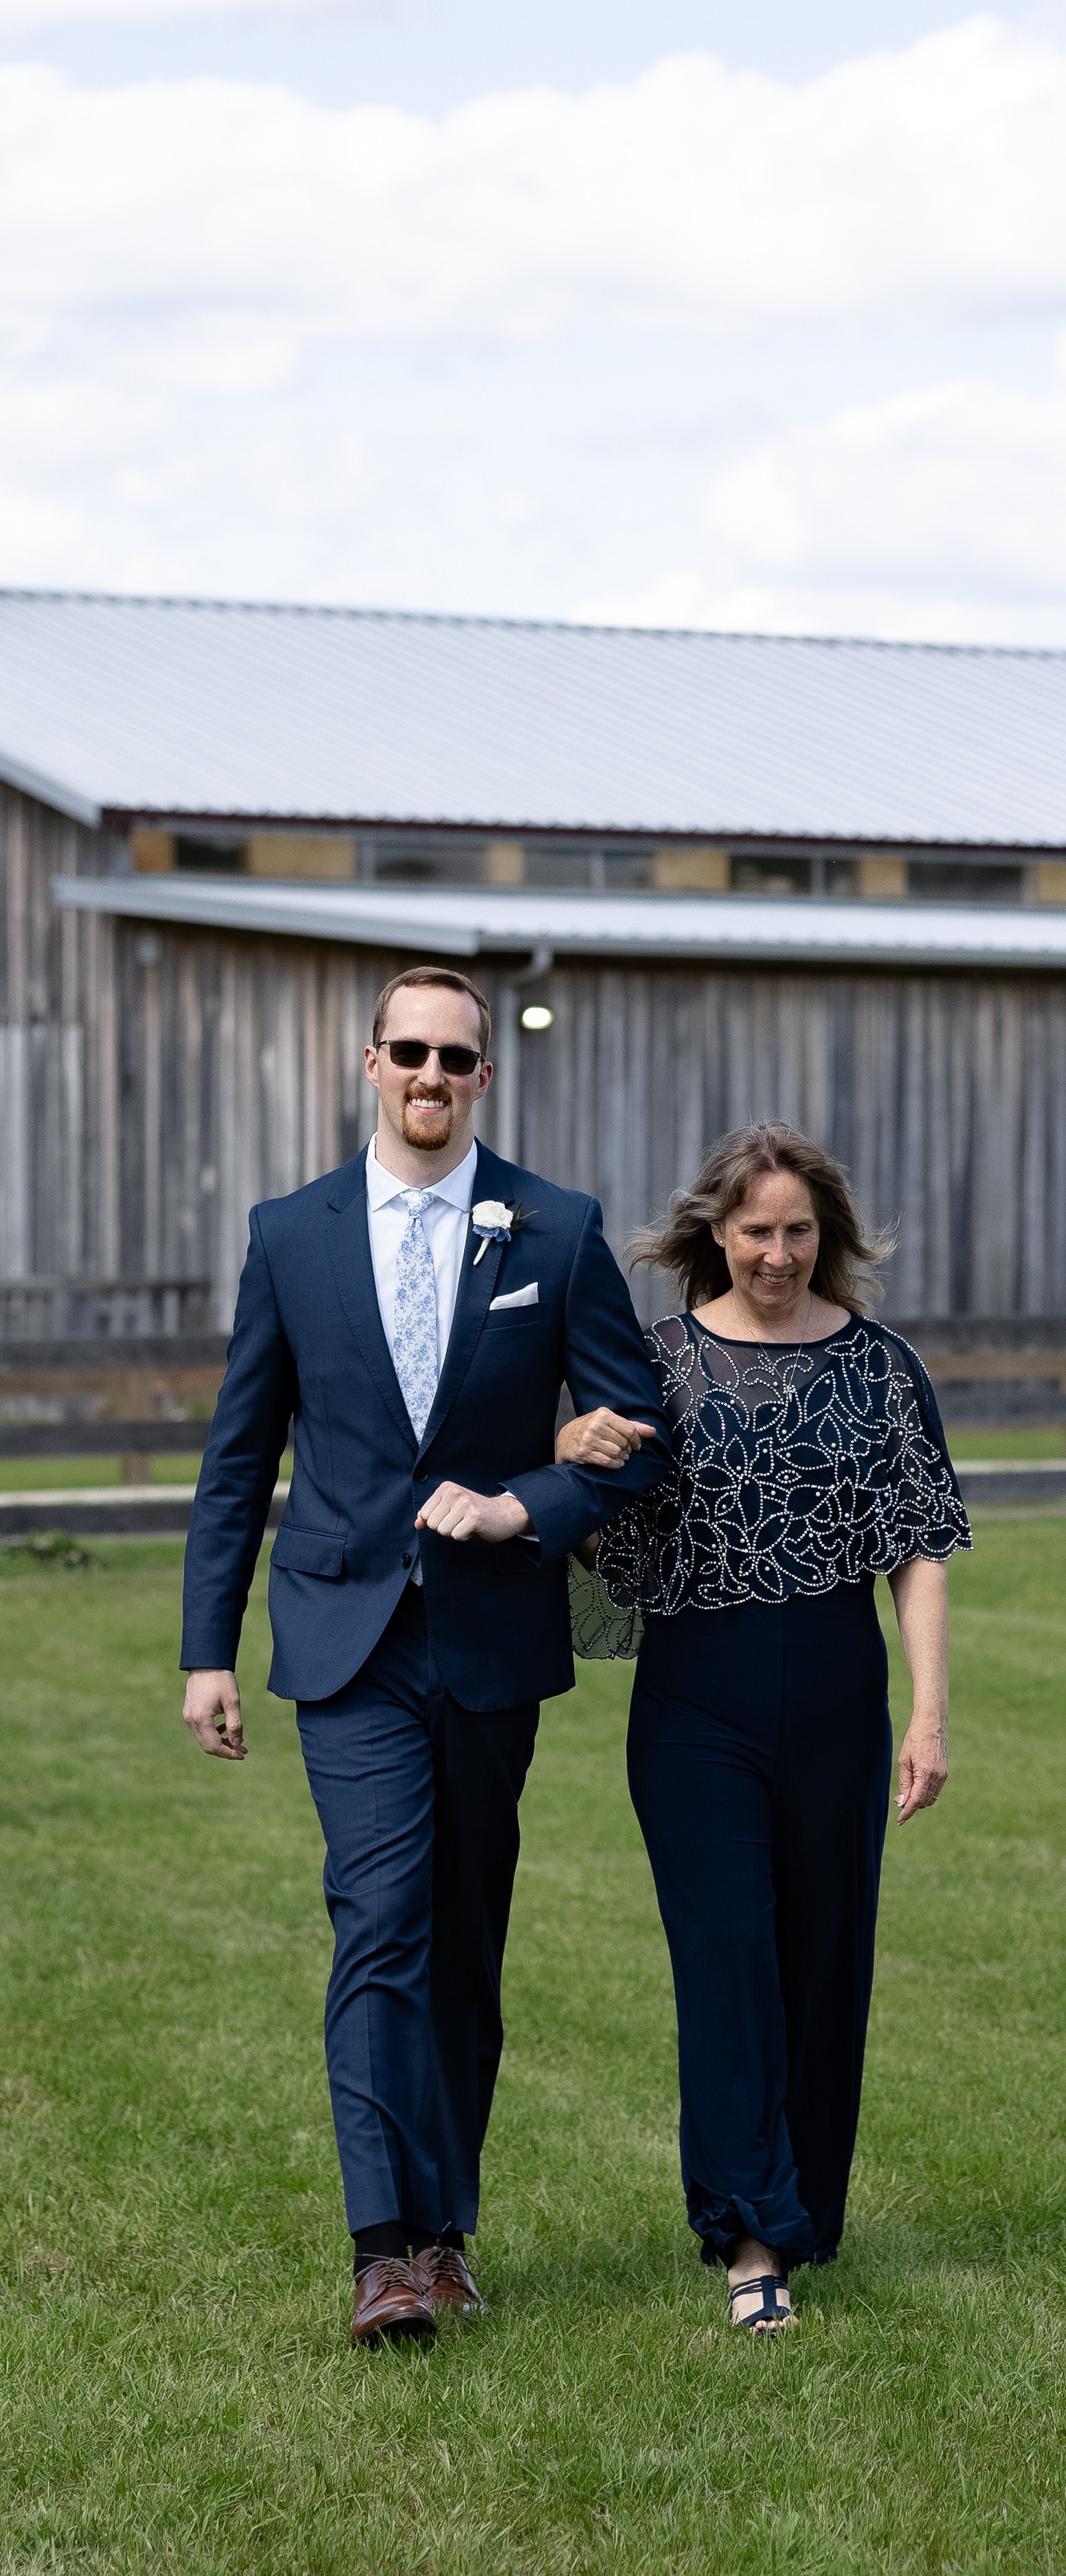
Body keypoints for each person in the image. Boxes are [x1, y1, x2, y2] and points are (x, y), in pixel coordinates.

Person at [179, 965, 665, 2346]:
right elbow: (238, 1456)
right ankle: (382, 2251)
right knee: (380, 1919)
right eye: (410, 1051)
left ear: (484, 1079)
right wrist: (205, 1645)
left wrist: (530, 1501)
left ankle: (448, 2233)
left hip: (489, 1639)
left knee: (464, 1938)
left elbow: (637, 1431)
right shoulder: (292, 1234)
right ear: (371, 1061)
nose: (432, 1075)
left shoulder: (555, 1230)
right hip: (344, 1636)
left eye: (458, 1057)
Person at [556, 1121, 968, 2335]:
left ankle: (802, 2211)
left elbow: (922, 1543)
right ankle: (748, 2237)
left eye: (797, 1230)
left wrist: (930, 1711)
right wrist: (564, 1446)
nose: (777, 1252)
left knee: (825, 1963)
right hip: (697, 1704)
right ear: (713, 1235)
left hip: (841, 1692)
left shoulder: (884, 1367)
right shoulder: (657, 1363)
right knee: (730, 1960)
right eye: (755, 1230)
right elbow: (591, 1517)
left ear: (825, 1235)